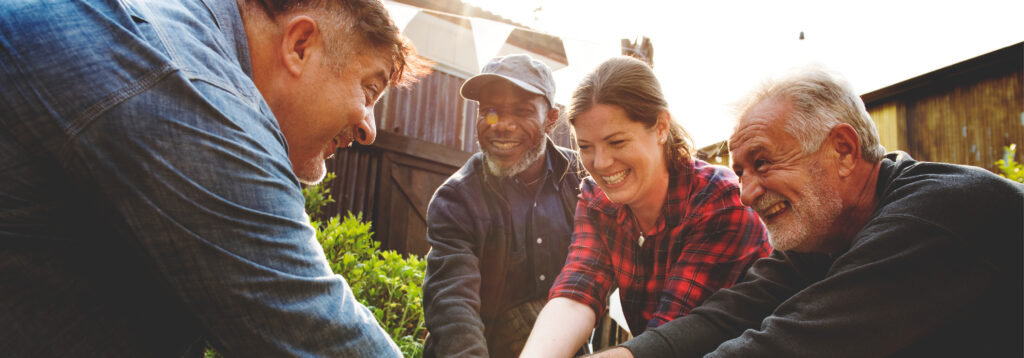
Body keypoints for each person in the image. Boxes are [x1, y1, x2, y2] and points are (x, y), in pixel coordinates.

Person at [0, 0, 424, 356]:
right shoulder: (195, 91)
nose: (369, 129)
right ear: (299, 45)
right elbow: (317, 327)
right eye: (369, 92)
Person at [592, 66, 1024, 358]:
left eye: (762, 163)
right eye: (739, 172)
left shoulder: (929, 217)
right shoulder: (829, 230)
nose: (745, 193)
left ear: (843, 150)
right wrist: (629, 354)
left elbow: (788, 345)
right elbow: (734, 311)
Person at [520, 56, 771, 357]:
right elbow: (578, 289)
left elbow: (671, 337)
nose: (600, 163)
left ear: (662, 127)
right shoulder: (596, 197)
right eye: (585, 147)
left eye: (617, 142)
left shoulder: (719, 200)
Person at [422, 54, 584, 358]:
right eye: (490, 111)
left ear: (550, 119)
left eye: (522, 111)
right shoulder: (456, 200)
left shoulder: (582, 178)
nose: (503, 126)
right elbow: (453, 305)